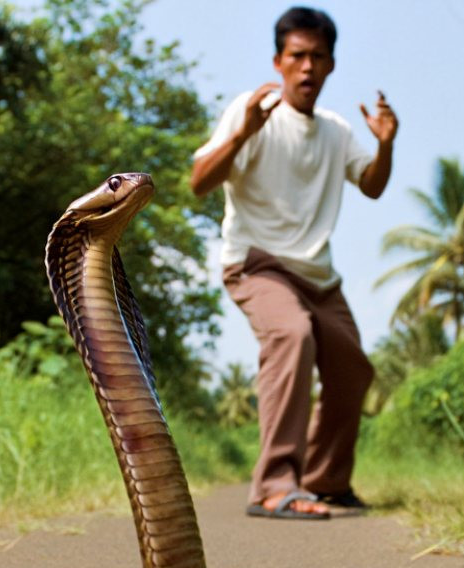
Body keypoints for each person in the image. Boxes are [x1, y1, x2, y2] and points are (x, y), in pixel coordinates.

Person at [190, 6, 398, 520]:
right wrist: (242, 134)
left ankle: (326, 481)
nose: (308, 67)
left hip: (317, 274)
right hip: (257, 262)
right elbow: (199, 182)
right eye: (298, 56)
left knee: (352, 367)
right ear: (278, 62)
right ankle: (274, 485)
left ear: (331, 65)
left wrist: (385, 145)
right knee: (292, 335)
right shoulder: (253, 112)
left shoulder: (336, 131)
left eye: (318, 57)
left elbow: (371, 186)